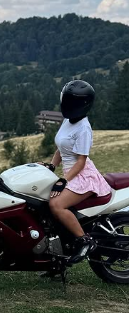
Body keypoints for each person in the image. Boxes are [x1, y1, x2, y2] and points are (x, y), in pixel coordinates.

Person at [45, 79, 111, 264]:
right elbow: (61, 148)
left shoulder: (83, 128)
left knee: (56, 205)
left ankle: (85, 241)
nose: (67, 104)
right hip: (71, 173)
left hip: (83, 176)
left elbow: (81, 161)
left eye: (71, 101)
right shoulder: (67, 120)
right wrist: (51, 166)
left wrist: (64, 180)